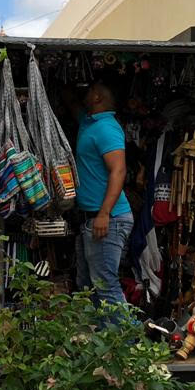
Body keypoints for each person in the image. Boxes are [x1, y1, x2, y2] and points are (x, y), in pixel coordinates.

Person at [74, 80, 134, 310]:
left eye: (89, 90)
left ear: (98, 97)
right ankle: (99, 340)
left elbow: (118, 170)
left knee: (105, 285)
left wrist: (104, 214)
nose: (85, 93)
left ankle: (127, 342)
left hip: (109, 219)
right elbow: (71, 103)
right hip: (93, 218)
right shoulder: (89, 122)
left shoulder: (106, 127)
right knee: (89, 286)